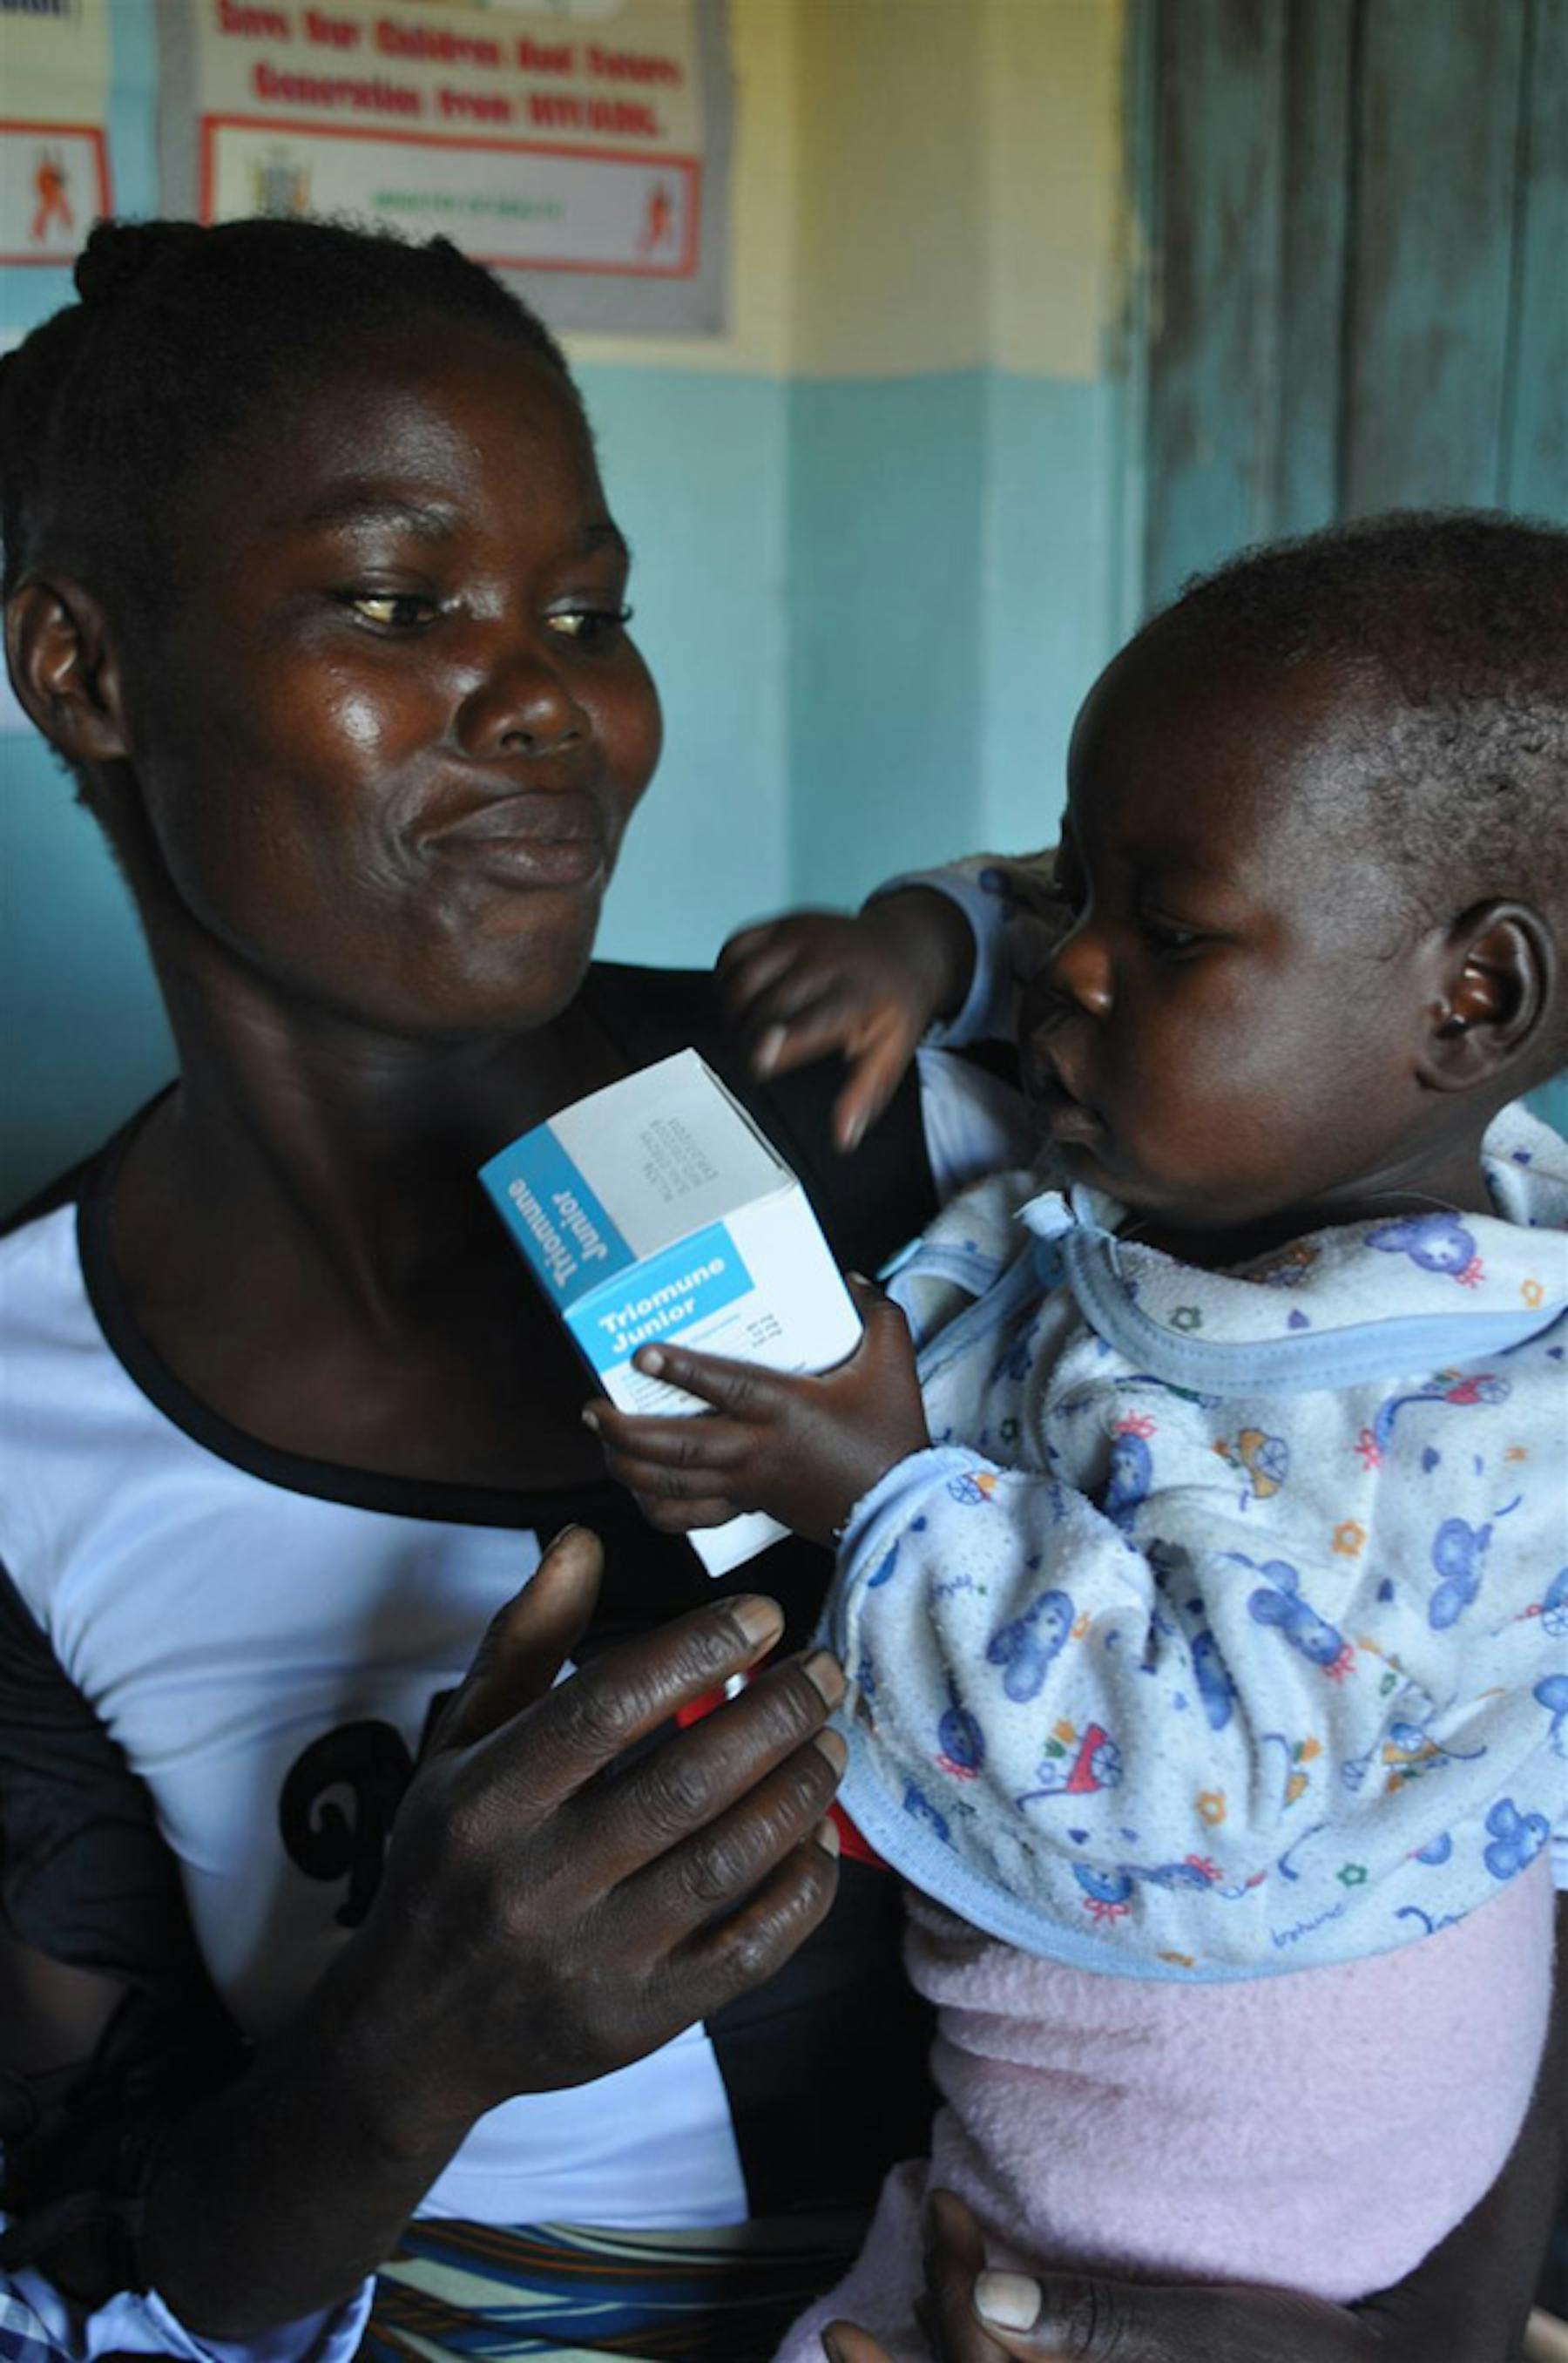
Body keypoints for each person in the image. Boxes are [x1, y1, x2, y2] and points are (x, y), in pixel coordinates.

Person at [0, 217, 1557, 2363]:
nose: (549, 700)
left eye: (590, 612)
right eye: (395, 602)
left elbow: (1482, 1696)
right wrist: (407, 2045)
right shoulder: (25, 1415)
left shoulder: (1003, 1136)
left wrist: (1439, 2334)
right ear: (84, 670)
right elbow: (82, 2246)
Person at [585, 514, 1568, 2360]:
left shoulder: (1427, 1428)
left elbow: (1173, 1772)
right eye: (1069, 889)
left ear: (1473, 999)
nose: (1073, 970)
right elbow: (1060, 916)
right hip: (1050, 2128)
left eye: (1165, 932)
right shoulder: (1233, 1183)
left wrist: (873, 1493)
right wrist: (916, 942)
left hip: (1222, 2176)